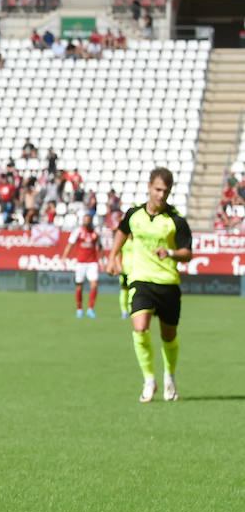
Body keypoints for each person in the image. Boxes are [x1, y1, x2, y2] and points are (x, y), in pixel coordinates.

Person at [107, 169, 192, 403]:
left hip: (168, 283)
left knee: (169, 336)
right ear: (149, 187)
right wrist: (112, 255)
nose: (161, 195)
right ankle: (149, 380)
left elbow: (188, 253)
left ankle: (170, 377)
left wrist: (171, 252)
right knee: (140, 328)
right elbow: (122, 231)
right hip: (141, 279)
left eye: (166, 191)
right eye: (158, 189)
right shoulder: (134, 214)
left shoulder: (175, 220)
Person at [63, 211, 102, 318]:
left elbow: (100, 246)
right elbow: (70, 244)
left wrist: (102, 260)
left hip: (92, 262)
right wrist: (64, 256)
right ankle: (79, 309)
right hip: (80, 263)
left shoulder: (96, 232)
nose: (86, 223)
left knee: (94, 284)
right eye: (85, 221)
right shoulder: (78, 231)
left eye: (88, 221)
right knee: (79, 286)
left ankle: (90, 309)